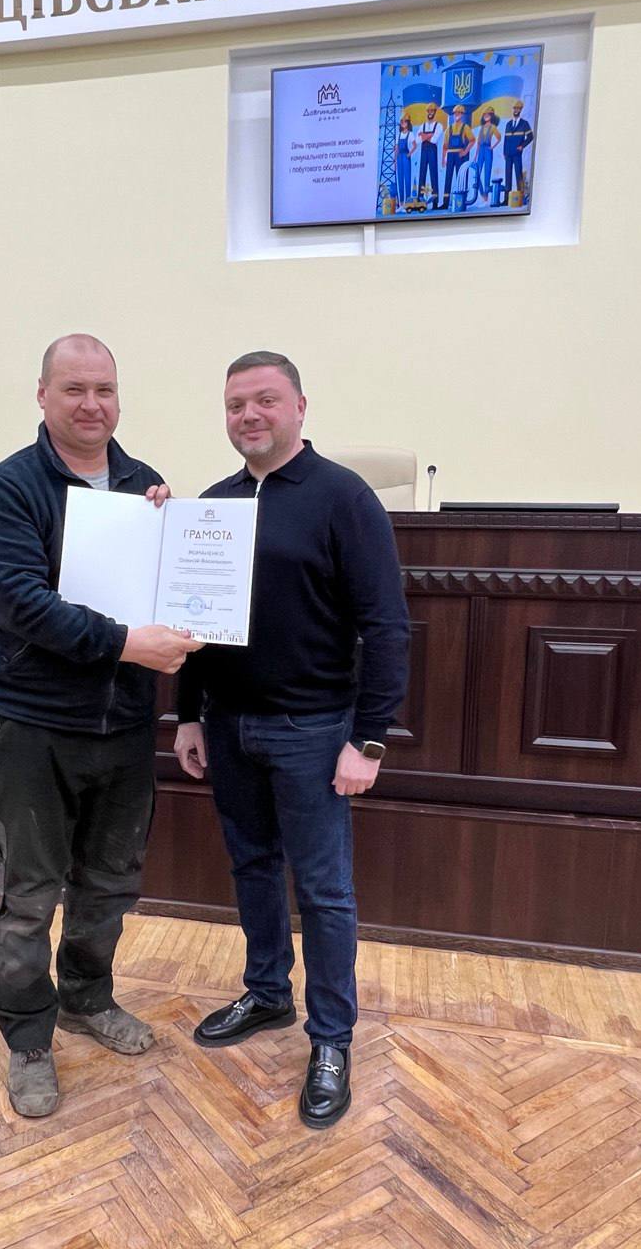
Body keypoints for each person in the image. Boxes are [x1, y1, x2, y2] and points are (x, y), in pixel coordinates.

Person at [0, 333, 202, 1118]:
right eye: (74, 389)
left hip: (125, 726)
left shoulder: (144, 488)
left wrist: (176, 543)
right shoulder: (8, 488)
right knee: (28, 896)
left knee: (109, 886)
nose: (92, 404)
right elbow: (20, 604)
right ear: (43, 395)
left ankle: (86, 998)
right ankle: (29, 1038)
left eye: (104, 388)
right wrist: (128, 643)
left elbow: (171, 597)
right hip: (33, 728)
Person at [174, 352, 409, 1129]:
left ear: (299, 407)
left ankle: (332, 1038)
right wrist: (187, 714)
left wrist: (368, 741)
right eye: (235, 403)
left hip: (314, 730)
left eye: (265, 400)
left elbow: (387, 627)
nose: (249, 415)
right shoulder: (214, 505)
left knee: (324, 890)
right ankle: (267, 992)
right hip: (229, 726)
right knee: (251, 868)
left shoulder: (344, 498)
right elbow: (191, 622)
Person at [442, 104, 474, 209]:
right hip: (450, 155)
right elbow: (445, 145)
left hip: (460, 156)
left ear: (462, 114)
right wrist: (443, 159)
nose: (457, 115)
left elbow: (472, 140)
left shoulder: (465, 127)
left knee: (460, 178)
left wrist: (465, 152)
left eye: (459, 113)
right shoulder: (449, 129)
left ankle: (461, 201)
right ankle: (445, 202)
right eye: (456, 113)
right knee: (448, 178)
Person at [503, 100, 534, 201]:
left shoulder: (524, 124)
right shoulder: (508, 124)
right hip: (508, 153)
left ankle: (520, 197)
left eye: (518, 108)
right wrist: (504, 152)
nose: (516, 110)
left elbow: (530, 136)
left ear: (520, 110)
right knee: (508, 175)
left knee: (518, 174)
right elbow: (505, 139)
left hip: (517, 153)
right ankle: (506, 199)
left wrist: (522, 146)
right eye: (515, 108)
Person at [416, 102, 444, 208]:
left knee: (433, 175)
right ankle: (420, 200)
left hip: (432, 151)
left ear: (435, 112)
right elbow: (418, 140)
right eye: (428, 111)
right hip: (424, 152)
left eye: (432, 111)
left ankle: (435, 202)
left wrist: (424, 135)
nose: (430, 113)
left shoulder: (439, 125)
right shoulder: (422, 125)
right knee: (422, 174)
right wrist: (429, 135)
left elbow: (434, 140)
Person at [473, 106, 501, 203]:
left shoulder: (493, 127)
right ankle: (481, 192)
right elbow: (478, 142)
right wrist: (475, 155)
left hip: (488, 150)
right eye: (485, 114)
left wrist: (492, 147)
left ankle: (486, 195)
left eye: (488, 114)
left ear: (491, 116)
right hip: (481, 150)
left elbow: (499, 137)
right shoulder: (481, 128)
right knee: (477, 172)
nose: (486, 116)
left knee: (487, 172)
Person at [394, 113, 417, 208]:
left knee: (407, 179)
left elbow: (415, 145)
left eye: (405, 121)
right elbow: (396, 149)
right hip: (399, 158)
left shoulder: (410, 134)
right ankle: (401, 203)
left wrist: (409, 154)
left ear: (408, 123)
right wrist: (395, 161)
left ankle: (407, 202)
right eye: (402, 121)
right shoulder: (398, 135)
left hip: (406, 158)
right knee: (400, 179)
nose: (403, 123)